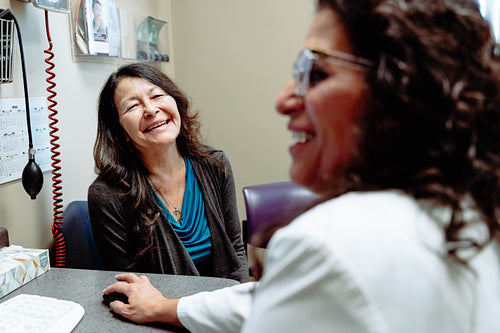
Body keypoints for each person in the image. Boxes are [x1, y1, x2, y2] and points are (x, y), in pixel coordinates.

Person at [102, 0, 500, 331]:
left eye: (318, 72)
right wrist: (167, 309)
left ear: (403, 93)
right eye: (133, 106)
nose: (283, 99)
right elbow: (261, 300)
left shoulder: (323, 243)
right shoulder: (474, 210)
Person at [88, 63, 249, 283]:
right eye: (132, 106)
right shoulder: (107, 195)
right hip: (156, 313)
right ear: (120, 131)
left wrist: (240, 304)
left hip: (220, 307)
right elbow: (128, 285)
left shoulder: (215, 165)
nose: (151, 110)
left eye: (157, 96)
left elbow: (235, 251)